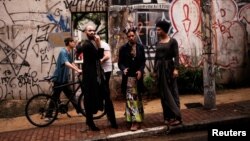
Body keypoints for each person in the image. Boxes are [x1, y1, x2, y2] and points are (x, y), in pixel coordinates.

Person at [76, 25, 117, 131]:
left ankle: (111, 120)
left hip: (98, 75)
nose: (92, 32)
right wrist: (99, 44)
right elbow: (99, 57)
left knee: (105, 96)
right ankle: (90, 122)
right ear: (85, 32)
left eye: (94, 30)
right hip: (91, 77)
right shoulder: (88, 44)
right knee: (89, 98)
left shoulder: (91, 43)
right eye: (90, 30)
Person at [45, 37, 82, 120]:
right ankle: (48, 115)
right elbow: (66, 63)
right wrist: (77, 69)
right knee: (55, 97)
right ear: (69, 43)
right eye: (73, 42)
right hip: (59, 79)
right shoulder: (63, 52)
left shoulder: (69, 52)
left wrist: (77, 69)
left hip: (64, 79)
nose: (75, 43)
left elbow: (71, 62)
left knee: (71, 95)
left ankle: (80, 111)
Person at [153, 20, 182, 126]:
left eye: (159, 29)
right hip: (160, 70)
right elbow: (156, 58)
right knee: (163, 94)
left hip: (169, 69)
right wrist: (155, 71)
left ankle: (177, 117)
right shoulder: (158, 42)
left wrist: (176, 69)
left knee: (173, 92)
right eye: (157, 29)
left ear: (164, 30)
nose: (157, 31)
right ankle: (167, 117)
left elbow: (177, 56)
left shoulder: (172, 41)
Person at [118, 27, 146, 131]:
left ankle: (136, 117)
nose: (131, 37)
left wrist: (141, 71)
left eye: (132, 36)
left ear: (135, 35)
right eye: (129, 36)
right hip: (128, 78)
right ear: (127, 37)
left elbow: (143, 62)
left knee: (137, 99)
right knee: (131, 99)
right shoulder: (123, 48)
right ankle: (135, 122)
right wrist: (123, 69)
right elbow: (120, 62)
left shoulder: (140, 47)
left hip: (138, 77)